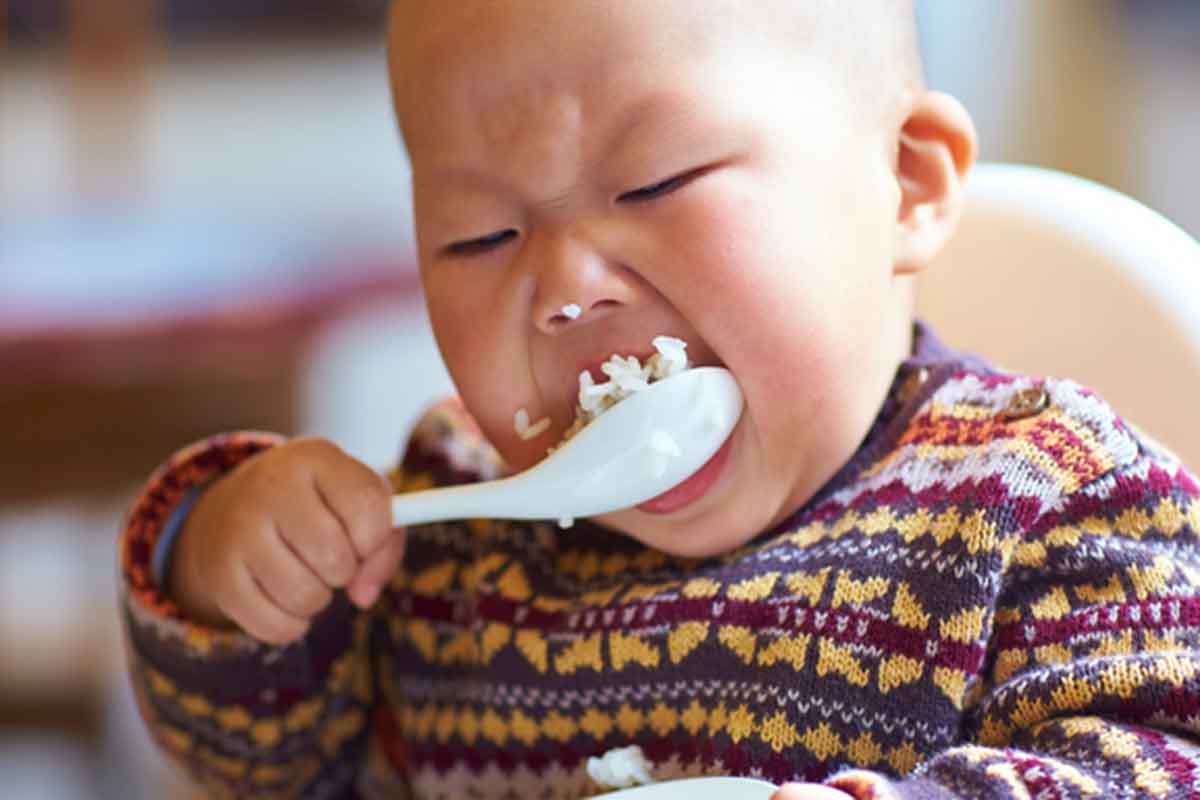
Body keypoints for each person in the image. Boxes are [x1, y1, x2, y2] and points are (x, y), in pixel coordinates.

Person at [118, 2, 1200, 798]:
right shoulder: (452, 520)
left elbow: (1164, 760)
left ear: (907, 184)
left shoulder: (1053, 493)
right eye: (479, 237)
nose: (563, 287)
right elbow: (267, 760)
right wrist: (221, 566)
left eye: (654, 184)